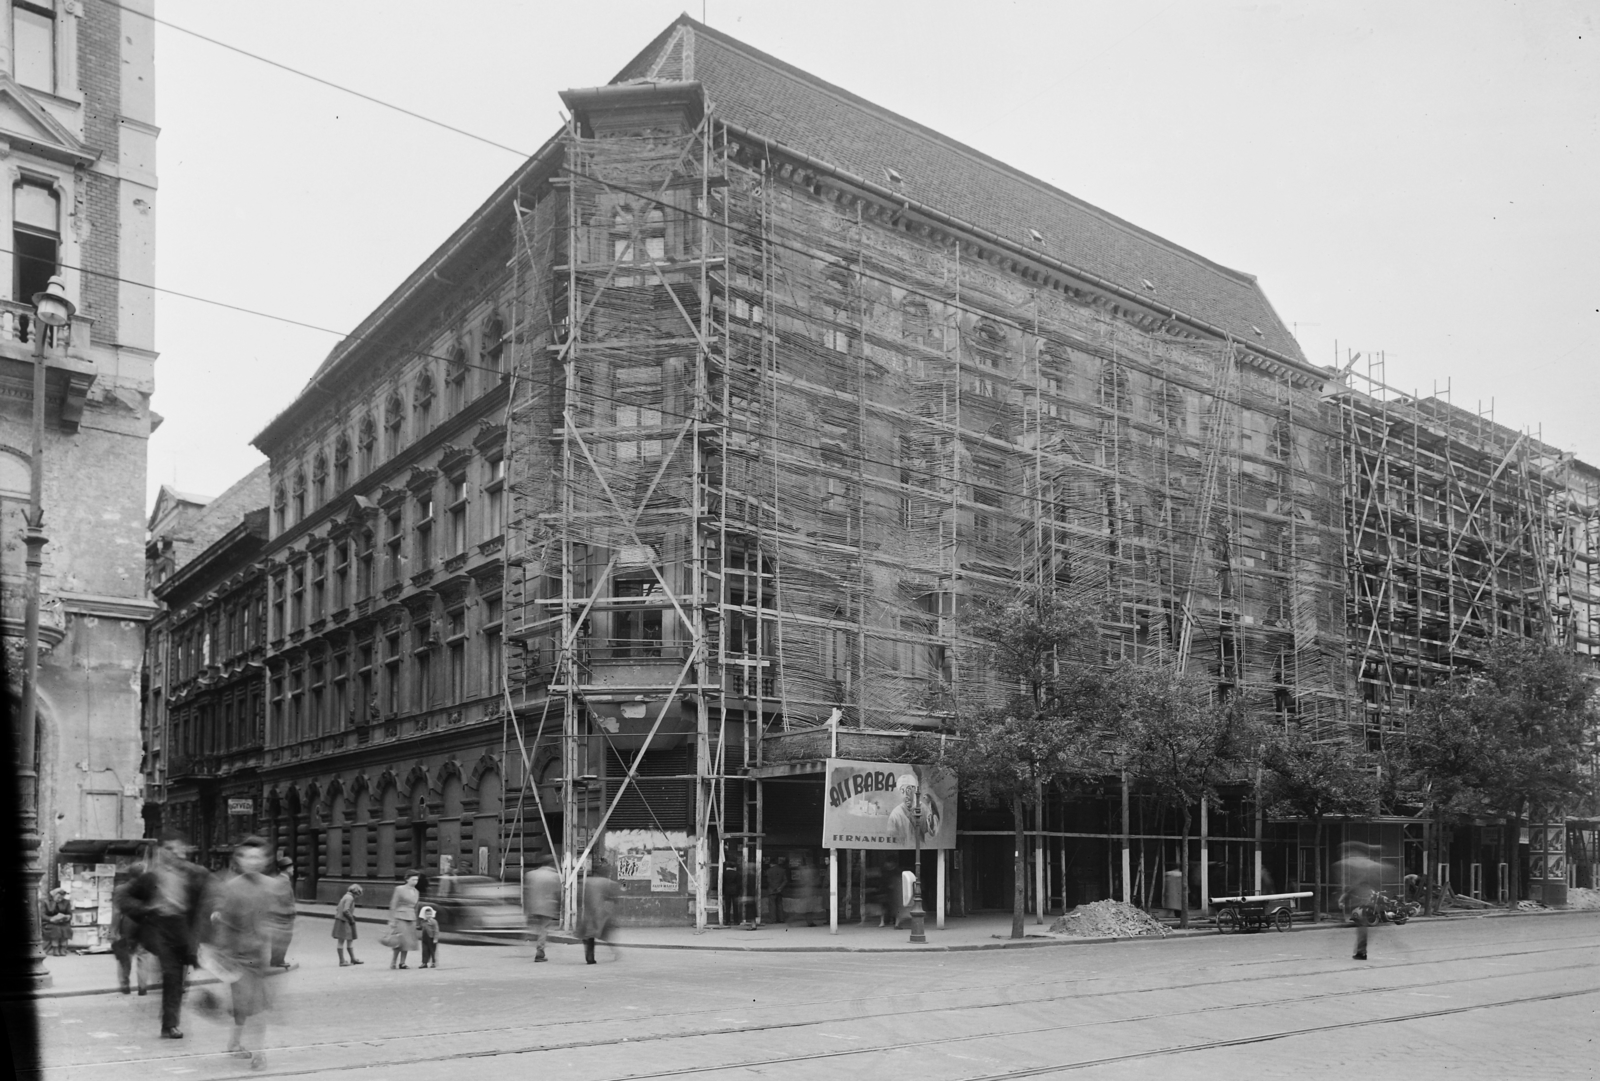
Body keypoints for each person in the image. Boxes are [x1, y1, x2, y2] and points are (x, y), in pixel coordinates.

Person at [123, 830, 212, 1039]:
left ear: (184, 850)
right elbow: (123, 897)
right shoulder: (151, 877)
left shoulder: (194, 874)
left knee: (180, 980)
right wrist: (145, 909)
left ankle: (171, 1013)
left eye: (177, 848)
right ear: (161, 851)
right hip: (161, 928)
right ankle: (170, 1024)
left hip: (183, 929)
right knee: (172, 975)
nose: (173, 853)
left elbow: (209, 898)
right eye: (168, 849)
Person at [210, 837, 275, 1071]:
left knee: (249, 1005)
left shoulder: (270, 886)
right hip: (240, 958)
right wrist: (222, 954)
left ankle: (236, 1042)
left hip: (259, 956)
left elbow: (279, 917)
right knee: (254, 1006)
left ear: (266, 860)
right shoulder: (232, 887)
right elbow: (223, 925)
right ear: (240, 860)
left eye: (259, 857)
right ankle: (259, 1053)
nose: (254, 861)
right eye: (249, 857)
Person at [1335, 841, 1382, 961]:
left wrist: (1343, 897)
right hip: (1365, 900)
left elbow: (1355, 885)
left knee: (1362, 926)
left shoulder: (1360, 867)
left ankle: (1361, 952)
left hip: (1362, 901)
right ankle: (1361, 952)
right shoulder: (1368, 866)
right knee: (1362, 926)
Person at [112, 864, 149, 994]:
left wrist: (113, 930)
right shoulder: (148, 889)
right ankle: (142, 987)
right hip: (144, 925)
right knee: (143, 957)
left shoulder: (121, 889)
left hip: (127, 924)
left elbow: (117, 911)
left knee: (125, 957)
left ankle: (125, 986)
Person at [578, 862, 620, 964]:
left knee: (589, 935)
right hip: (601, 913)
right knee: (606, 934)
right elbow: (613, 898)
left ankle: (590, 956)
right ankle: (614, 951)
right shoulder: (607, 882)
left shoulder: (585, 881)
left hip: (588, 912)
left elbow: (579, 898)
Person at [522, 854, 561, 962]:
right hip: (547, 906)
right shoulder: (554, 876)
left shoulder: (531, 875)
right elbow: (557, 893)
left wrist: (526, 908)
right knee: (544, 929)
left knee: (535, 927)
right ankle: (540, 951)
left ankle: (528, 941)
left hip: (533, 905)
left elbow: (526, 892)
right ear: (551, 863)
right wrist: (558, 907)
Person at [266, 856, 297, 969]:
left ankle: (277, 959)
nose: (293, 870)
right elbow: (285, 900)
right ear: (288, 869)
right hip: (284, 916)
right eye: (292, 867)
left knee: (278, 938)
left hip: (278, 915)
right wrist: (291, 913)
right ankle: (278, 960)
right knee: (283, 938)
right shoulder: (284, 881)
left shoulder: (279, 879)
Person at [387, 871, 420, 968]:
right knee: (399, 940)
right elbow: (393, 904)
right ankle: (393, 962)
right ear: (407, 879)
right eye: (413, 879)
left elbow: (416, 907)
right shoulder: (399, 889)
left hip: (412, 917)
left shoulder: (416, 891)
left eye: (417, 879)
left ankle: (402, 962)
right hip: (400, 916)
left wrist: (417, 920)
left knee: (407, 941)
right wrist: (392, 920)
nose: (415, 881)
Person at [332, 884, 364, 966]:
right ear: (356, 892)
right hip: (344, 921)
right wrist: (351, 919)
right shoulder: (350, 898)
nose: (358, 897)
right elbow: (346, 910)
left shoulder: (346, 896)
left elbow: (338, 908)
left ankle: (352, 959)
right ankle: (342, 961)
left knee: (349, 939)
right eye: (358, 894)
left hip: (343, 920)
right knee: (342, 941)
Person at [42, 886, 73, 956]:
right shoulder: (46, 902)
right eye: (58, 897)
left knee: (66, 928)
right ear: (53, 895)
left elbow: (69, 913)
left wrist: (67, 917)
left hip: (62, 922)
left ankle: (63, 948)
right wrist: (51, 919)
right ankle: (55, 949)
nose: (60, 899)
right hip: (49, 922)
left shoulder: (66, 902)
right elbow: (42, 915)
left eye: (62, 897)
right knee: (56, 929)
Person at [765, 857, 788, 925]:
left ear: (771, 864)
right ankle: (781, 919)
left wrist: (774, 888)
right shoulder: (782, 870)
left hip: (772, 890)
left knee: (772, 905)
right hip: (780, 890)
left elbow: (769, 881)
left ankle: (773, 920)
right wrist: (780, 888)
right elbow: (785, 880)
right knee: (779, 905)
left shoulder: (768, 871)